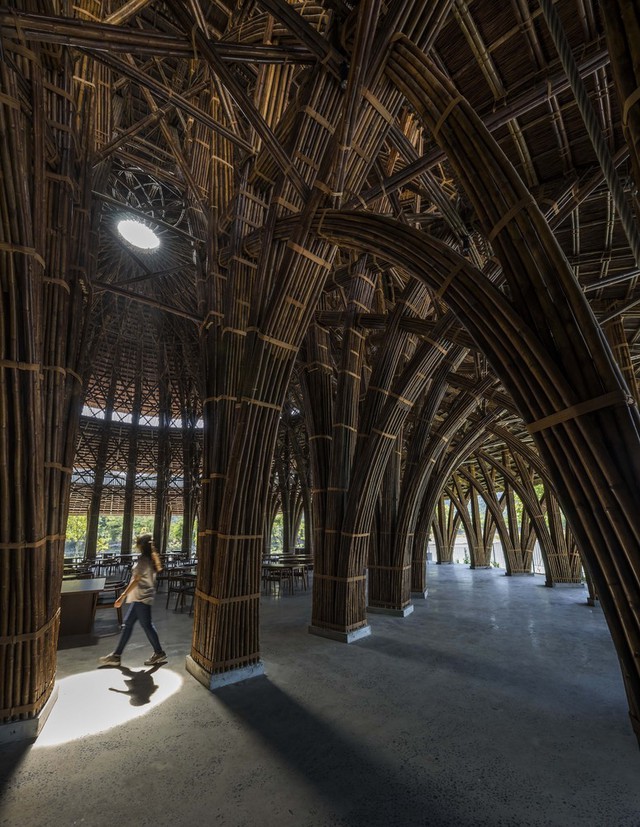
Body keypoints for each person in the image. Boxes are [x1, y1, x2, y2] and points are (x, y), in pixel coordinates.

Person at [98, 533, 167, 667]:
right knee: (129, 624)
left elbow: (136, 580)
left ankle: (158, 652)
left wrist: (122, 595)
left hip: (141, 598)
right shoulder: (150, 559)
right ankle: (116, 655)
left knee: (146, 626)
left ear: (140, 545)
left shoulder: (143, 561)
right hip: (140, 598)